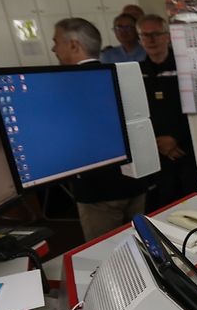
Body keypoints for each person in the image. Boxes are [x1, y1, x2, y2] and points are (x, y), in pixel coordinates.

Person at [51, 18, 148, 241]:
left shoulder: (65, 85)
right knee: (144, 248)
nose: (53, 48)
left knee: (104, 254)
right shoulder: (124, 75)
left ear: (74, 44)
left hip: (97, 190)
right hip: (136, 182)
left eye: (56, 41)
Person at [137, 14, 197, 210]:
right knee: (162, 209)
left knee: (194, 206)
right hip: (154, 154)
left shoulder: (186, 67)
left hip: (186, 150)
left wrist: (175, 139)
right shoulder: (136, 72)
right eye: (145, 35)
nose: (151, 40)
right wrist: (156, 142)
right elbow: (134, 114)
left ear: (167, 36)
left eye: (156, 34)